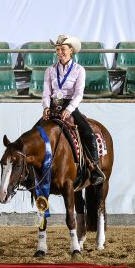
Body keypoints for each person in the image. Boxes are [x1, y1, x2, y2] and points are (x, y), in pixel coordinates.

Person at [41, 35, 105, 186]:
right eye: (57, 49)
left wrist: (69, 109)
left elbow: (79, 94)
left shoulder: (79, 70)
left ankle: (94, 168)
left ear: (71, 51)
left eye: (63, 49)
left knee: (88, 133)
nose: (60, 52)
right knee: (36, 132)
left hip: (70, 105)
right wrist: (45, 107)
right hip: (53, 106)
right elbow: (45, 92)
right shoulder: (50, 70)